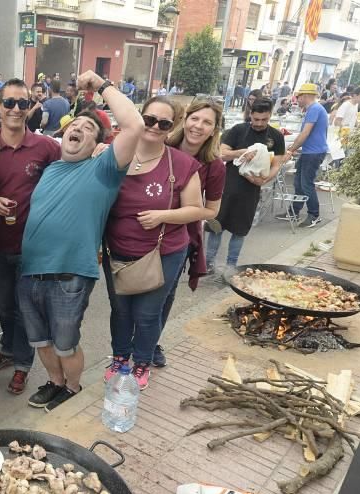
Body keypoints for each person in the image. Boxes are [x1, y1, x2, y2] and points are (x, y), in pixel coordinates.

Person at [18, 70, 144, 412]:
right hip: (29, 272)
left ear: (96, 146)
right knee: (41, 341)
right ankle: (55, 383)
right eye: (76, 126)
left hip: (70, 275)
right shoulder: (51, 167)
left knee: (65, 344)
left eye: (89, 130)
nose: (79, 130)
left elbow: (134, 126)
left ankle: (72, 387)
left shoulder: (103, 169)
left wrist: (103, 86)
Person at [102, 97, 204, 391]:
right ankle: (120, 358)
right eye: (148, 119)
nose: (155, 127)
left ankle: (142, 362)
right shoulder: (116, 154)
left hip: (163, 252)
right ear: (139, 118)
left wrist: (164, 215)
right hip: (116, 250)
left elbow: (197, 209)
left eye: (164, 123)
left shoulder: (182, 164)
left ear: (173, 128)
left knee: (146, 314)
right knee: (119, 310)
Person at [0, 79, 61, 395]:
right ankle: (7, 347)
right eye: (9, 103)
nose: (16, 109)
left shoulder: (46, 147)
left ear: (30, 106)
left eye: (23, 102)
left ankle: (22, 364)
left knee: (25, 309)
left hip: (33, 248)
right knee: (3, 306)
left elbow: (69, 180)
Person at [154, 99, 226, 364]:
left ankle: (151, 344)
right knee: (136, 290)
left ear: (214, 130)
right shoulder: (162, 146)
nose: (198, 126)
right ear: (184, 120)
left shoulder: (214, 165)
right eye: (195, 119)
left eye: (207, 122)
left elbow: (212, 211)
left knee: (165, 294)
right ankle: (130, 345)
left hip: (180, 237)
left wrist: (179, 215)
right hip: (145, 230)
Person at [208, 99, 285, 275]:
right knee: (216, 227)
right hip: (227, 186)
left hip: (251, 189)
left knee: (240, 230)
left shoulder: (276, 136)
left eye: (264, 120)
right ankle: (208, 263)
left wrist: (264, 180)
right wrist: (241, 152)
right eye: (256, 119)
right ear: (250, 114)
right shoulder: (238, 130)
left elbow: (277, 164)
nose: (259, 123)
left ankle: (231, 266)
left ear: (270, 116)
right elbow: (220, 154)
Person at [277, 83, 328, 228]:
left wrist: (290, 151)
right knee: (299, 183)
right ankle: (294, 211)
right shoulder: (314, 109)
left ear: (305, 96)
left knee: (306, 184)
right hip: (310, 151)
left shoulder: (314, 109)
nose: (297, 99)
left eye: (298, 97)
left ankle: (314, 215)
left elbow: (305, 133)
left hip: (313, 153)